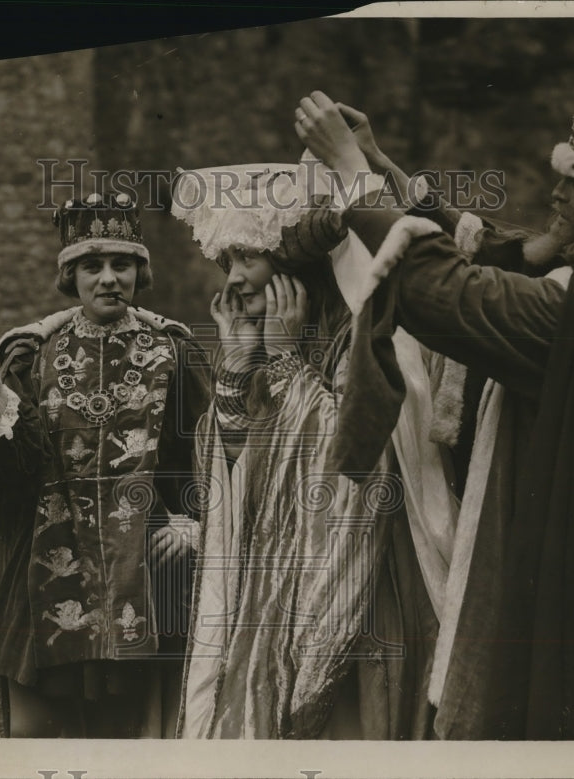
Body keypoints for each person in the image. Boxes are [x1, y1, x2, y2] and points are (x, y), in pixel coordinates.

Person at [296, 54, 574, 740]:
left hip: (566, 558)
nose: (558, 191)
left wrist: (350, 173)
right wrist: (380, 163)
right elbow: (493, 253)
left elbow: (447, 290)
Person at [170, 164, 457, 739]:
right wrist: (238, 367)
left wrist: (285, 366)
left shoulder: (359, 336)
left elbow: (351, 465)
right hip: (272, 580)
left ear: (295, 267)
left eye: (248, 258)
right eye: (228, 261)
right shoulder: (273, 337)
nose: (234, 278)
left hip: (359, 580)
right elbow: (236, 476)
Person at [0, 191, 211, 738]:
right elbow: (6, 479)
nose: (109, 279)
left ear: (139, 272)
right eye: (93, 266)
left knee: (126, 730)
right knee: (32, 730)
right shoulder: (31, 356)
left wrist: (191, 522)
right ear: (71, 276)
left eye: (122, 265)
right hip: (46, 559)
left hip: (143, 567)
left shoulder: (175, 353)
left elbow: (206, 455)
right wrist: (0, 402)